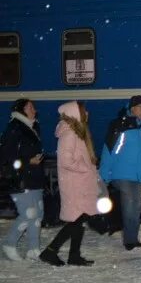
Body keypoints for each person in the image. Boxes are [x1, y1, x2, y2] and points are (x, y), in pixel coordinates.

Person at [39, 101, 101, 267]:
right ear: (75, 113)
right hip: (75, 185)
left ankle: (73, 255)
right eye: (83, 110)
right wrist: (86, 168)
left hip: (80, 183)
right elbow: (66, 161)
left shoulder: (76, 132)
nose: (87, 113)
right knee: (77, 220)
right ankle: (50, 251)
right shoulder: (70, 135)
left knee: (79, 219)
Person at [99, 95, 141, 250]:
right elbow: (109, 151)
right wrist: (104, 174)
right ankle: (129, 241)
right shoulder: (120, 126)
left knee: (135, 208)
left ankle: (132, 238)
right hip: (122, 173)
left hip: (138, 174)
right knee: (130, 207)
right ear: (133, 109)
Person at [1, 99, 46, 261]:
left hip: (34, 178)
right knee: (28, 214)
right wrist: (28, 161)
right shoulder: (15, 128)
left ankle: (33, 249)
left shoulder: (32, 126)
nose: (34, 109)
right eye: (30, 106)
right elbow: (6, 157)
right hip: (20, 179)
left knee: (37, 214)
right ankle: (9, 243)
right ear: (21, 110)